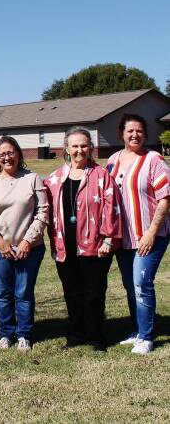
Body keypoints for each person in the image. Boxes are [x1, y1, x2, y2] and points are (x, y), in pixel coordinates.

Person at [44, 127, 123, 351]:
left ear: (90, 148)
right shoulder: (54, 179)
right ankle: (75, 334)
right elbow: (47, 212)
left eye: (84, 145)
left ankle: (96, 336)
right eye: (75, 146)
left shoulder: (101, 176)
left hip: (95, 244)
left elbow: (112, 207)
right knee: (71, 292)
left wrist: (108, 238)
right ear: (66, 149)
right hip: (64, 245)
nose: (79, 150)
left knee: (94, 292)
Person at [0, 136, 49, 351]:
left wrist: (28, 241)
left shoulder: (32, 178)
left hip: (29, 248)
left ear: (18, 154)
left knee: (24, 293)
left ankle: (24, 334)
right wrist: (0, 242)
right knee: (3, 293)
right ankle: (6, 333)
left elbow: (43, 212)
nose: (7, 157)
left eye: (10, 153)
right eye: (2, 154)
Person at [107, 114, 170, 354]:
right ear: (121, 134)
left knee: (142, 282)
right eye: (130, 131)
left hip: (150, 234)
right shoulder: (113, 160)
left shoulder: (154, 159)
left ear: (145, 134)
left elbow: (165, 199)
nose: (135, 135)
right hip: (124, 236)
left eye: (139, 131)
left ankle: (147, 336)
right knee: (130, 285)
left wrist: (152, 232)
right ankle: (137, 330)